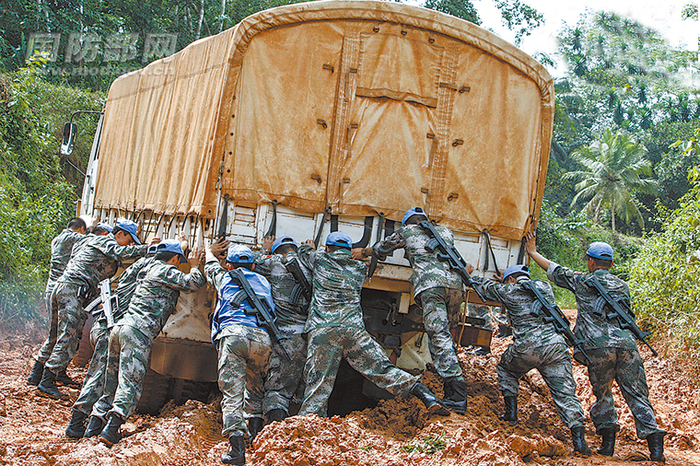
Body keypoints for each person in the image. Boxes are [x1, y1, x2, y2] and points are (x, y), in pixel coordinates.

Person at [526, 235, 666, 462]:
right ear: (611, 263)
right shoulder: (622, 285)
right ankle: (656, 448)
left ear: (590, 262)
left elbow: (555, 270)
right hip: (627, 346)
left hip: (598, 347)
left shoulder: (582, 281)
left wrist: (532, 252)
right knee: (637, 394)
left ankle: (607, 445)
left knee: (603, 394)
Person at [298, 231, 447, 419]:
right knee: (382, 369)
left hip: (324, 329)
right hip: (354, 331)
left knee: (318, 385)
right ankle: (426, 395)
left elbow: (303, 253)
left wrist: (309, 247)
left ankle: (307, 425)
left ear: (327, 248)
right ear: (349, 251)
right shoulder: (360, 268)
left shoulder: (320, 260)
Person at [91, 239, 205, 446]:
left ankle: (93, 425)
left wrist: (178, 246)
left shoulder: (146, 267)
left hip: (120, 328)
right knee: (130, 383)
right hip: (137, 333)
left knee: (111, 383)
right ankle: (111, 430)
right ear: (175, 259)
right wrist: (195, 265)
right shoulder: (165, 270)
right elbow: (193, 283)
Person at [353, 207, 468, 413]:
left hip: (433, 287)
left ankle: (458, 397)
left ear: (407, 223)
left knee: (439, 336)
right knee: (445, 338)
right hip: (456, 287)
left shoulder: (407, 231)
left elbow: (383, 248)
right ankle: (452, 392)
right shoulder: (445, 232)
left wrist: (363, 252)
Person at [469, 264, 592, 456]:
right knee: (565, 393)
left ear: (511, 280)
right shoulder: (544, 286)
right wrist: (508, 277)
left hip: (527, 348)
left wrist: (471, 274)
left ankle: (511, 414)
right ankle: (579, 440)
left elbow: (483, 286)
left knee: (506, 369)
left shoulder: (509, 290)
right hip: (555, 347)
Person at [66, 238, 175, 438]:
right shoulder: (156, 270)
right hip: (110, 328)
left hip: (107, 327)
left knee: (102, 378)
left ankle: (90, 425)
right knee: (101, 378)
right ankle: (80, 423)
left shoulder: (136, 269)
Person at [36, 219, 150, 400]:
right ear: (119, 233)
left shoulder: (94, 242)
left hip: (66, 288)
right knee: (68, 335)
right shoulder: (106, 241)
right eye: (129, 240)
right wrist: (148, 249)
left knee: (58, 334)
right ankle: (47, 381)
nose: (129, 245)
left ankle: (37, 375)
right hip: (72, 290)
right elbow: (121, 253)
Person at [205, 241, 274, 465]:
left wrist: (209, 251)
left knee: (233, 394)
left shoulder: (225, 277)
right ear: (253, 266)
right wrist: (266, 251)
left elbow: (209, 266)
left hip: (234, 335)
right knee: (255, 388)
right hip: (262, 338)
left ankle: (237, 450)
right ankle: (255, 436)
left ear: (229, 266)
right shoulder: (264, 281)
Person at [255, 235, 311, 423]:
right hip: (310, 338)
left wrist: (265, 249)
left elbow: (251, 263)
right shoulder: (310, 263)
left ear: (276, 252)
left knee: (278, 389)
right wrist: (309, 250)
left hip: (285, 338)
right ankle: (303, 430)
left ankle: (275, 429)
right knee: (305, 389)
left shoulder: (273, 263)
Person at [28, 217, 87, 387]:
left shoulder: (57, 238)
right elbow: (93, 242)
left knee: (55, 334)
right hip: (64, 291)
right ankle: (45, 376)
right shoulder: (72, 237)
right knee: (63, 335)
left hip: (52, 289)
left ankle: (41, 374)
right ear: (81, 229)